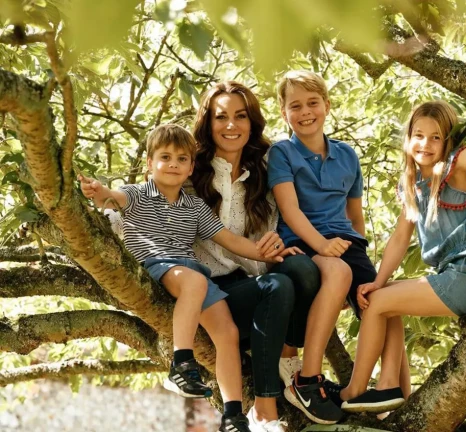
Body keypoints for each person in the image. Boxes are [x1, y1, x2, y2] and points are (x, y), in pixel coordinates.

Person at [79, 124, 294, 432]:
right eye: (164, 157)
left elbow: (231, 241)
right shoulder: (136, 194)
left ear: (192, 167)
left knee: (228, 334)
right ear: (149, 163)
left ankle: (232, 415)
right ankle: (181, 363)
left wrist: (272, 254)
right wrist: (98, 192)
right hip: (158, 266)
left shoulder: (194, 207)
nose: (173, 164)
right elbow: (110, 199)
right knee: (195, 281)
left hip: (191, 274)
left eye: (182, 159)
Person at [338, 63, 466, 413]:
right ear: (408, 139)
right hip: (449, 276)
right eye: (419, 135)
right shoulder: (412, 184)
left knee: (379, 305)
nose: (425, 144)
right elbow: (399, 239)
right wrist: (377, 281)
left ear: (448, 142)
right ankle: (391, 390)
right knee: (383, 298)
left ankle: (353, 391)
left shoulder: (453, 170)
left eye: (435, 137)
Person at [267, 70, 409, 425]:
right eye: (295, 106)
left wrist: (363, 259)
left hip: (346, 243)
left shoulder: (347, 155)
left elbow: (354, 216)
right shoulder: (282, 153)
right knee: (340, 272)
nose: (305, 112)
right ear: (284, 113)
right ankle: (307, 378)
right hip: (302, 240)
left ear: (327, 106)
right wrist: (322, 245)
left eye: (312, 103)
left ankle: (391, 388)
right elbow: (290, 210)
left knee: (384, 299)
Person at [190, 81, 322, 432]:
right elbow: (147, 205)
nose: (231, 125)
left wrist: (276, 248)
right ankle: (264, 410)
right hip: (213, 292)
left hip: (258, 287)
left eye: (240, 116)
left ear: (252, 123)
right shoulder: (190, 171)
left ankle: (287, 362)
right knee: (275, 286)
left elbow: (300, 207)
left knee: (303, 269)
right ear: (208, 123)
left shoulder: (266, 166)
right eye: (221, 117)